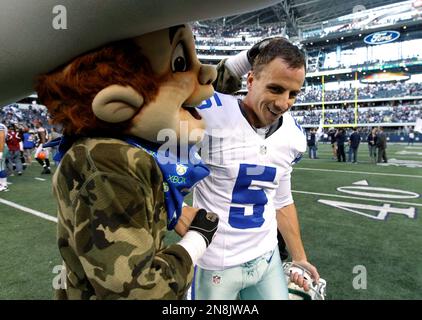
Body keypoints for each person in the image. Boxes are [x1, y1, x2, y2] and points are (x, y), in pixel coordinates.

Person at [192, 37, 319, 300]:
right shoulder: (211, 115)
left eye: (293, 94)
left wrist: (300, 257)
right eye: (275, 89)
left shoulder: (292, 135)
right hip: (215, 263)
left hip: (267, 256)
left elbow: (282, 201)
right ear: (250, 80)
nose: (284, 103)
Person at [0, 121, 8, 191]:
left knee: (1, 167)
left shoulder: (1, 126)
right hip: (2, 147)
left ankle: (4, 185)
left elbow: (2, 139)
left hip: (1, 148)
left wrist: (1, 152)